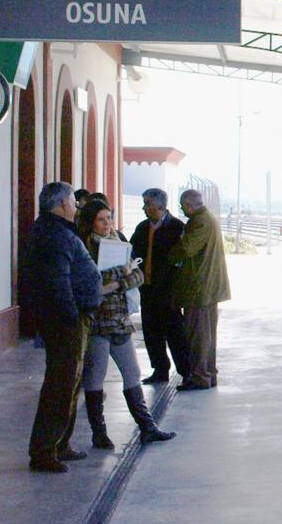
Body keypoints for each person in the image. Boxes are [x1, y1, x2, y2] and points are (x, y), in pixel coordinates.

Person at [77, 200, 175, 447]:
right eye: (101, 219)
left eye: (109, 218)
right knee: (95, 377)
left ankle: (147, 426)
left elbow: (137, 275)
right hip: (98, 322)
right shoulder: (84, 249)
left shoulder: (119, 242)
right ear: (91, 223)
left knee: (132, 372)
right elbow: (93, 284)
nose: (107, 223)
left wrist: (118, 283)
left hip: (119, 319)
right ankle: (99, 433)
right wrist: (120, 277)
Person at [23, 182, 103, 473]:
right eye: (72, 201)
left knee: (70, 383)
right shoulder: (53, 234)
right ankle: (44, 450)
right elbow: (58, 283)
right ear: (60, 205)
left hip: (72, 319)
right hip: (66, 321)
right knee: (60, 384)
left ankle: (60, 443)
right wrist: (72, 318)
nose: (76, 206)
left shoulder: (56, 230)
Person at [169, 189, 231, 391]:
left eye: (182, 206)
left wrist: (170, 255)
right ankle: (208, 373)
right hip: (206, 287)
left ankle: (200, 376)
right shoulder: (206, 218)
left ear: (189, 205)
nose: (182, 210)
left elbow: (186, 248)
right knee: (207, 334)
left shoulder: (200, 221)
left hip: (199, 288)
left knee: (198, 335)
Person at [130, 188, 189, 383]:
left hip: (168, 289)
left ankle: (185, 370)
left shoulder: (176, 227)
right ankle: (160, 369)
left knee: (175, 332)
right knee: (151, 332)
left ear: (161, 205)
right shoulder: (141, 228)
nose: (144, 207)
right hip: (147, 288)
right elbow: (132, 253)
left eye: (147, 203)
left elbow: (183, 259)